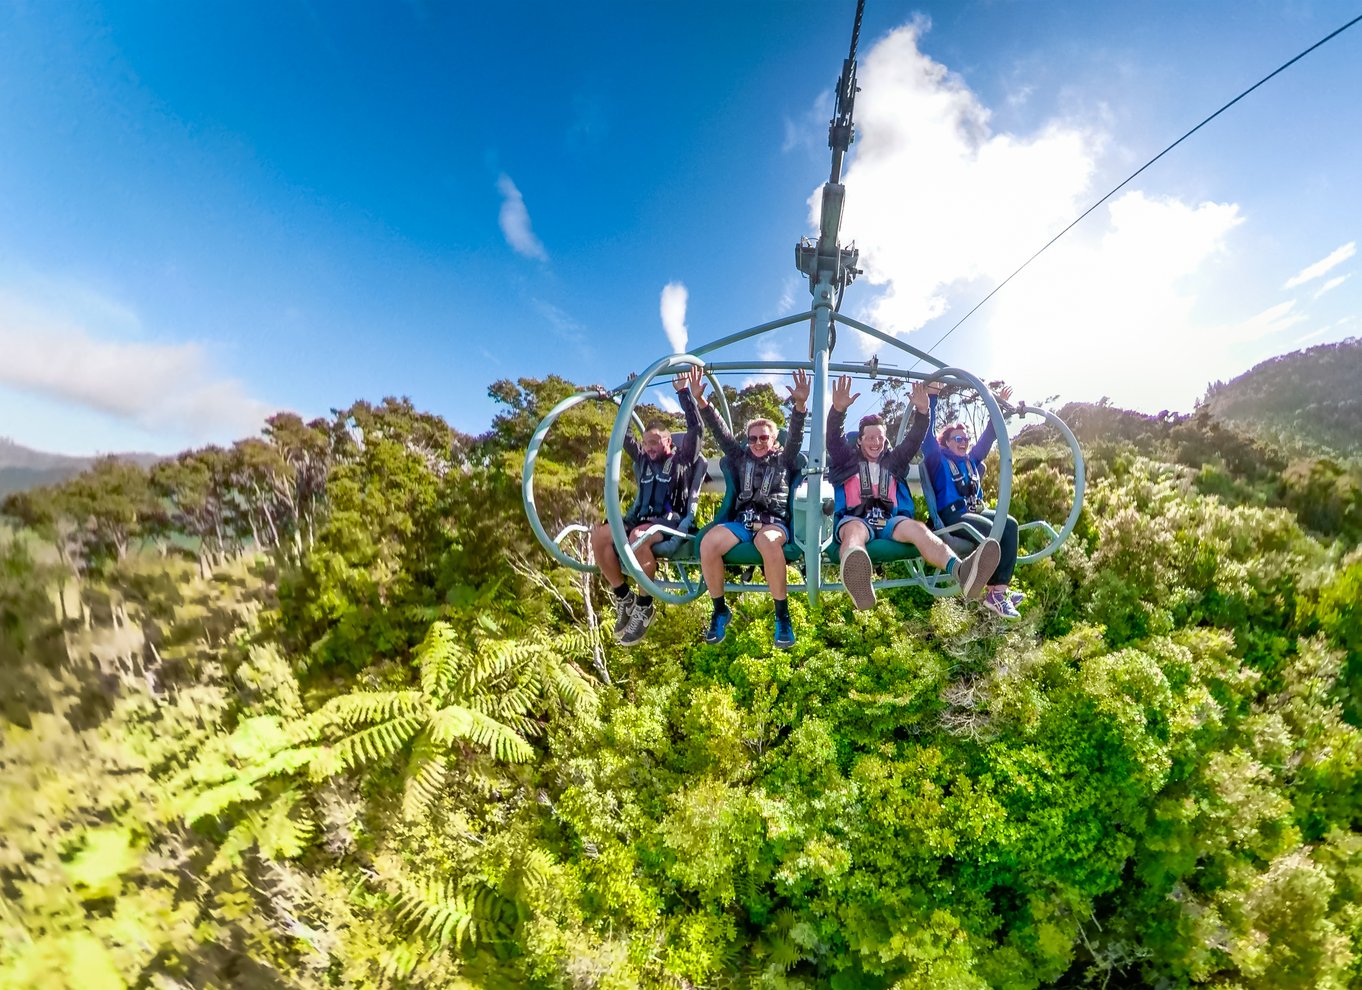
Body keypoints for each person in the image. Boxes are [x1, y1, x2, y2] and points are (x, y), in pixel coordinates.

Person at [826, 375, 1000, 610]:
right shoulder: (845, 460)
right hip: (856, 518)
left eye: (880, 437)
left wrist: (923, 411)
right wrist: (837, 411)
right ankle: (858, 576)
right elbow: (834, 440)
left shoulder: (894, 461)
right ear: (860, 441)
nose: (875, 442)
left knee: (917, 528)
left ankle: (961, 570)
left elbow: (914, 438)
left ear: (885, 439)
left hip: (890, 521)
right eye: (869, 438)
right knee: (854, 532)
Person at [686, 365, 808, 649]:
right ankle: (719, 609)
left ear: (773, 439)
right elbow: (721, 433)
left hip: (773, 523)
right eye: (753, 438)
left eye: (764, 437)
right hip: (742, 522)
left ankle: (782, 616)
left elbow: (797, 436)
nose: (757, 443)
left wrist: (799, 407)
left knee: (767, 541)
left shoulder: (785, 458)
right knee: (709, 543)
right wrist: (702, 402)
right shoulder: (741, 457)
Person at [589, 373, 702, 645]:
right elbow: (623, 433)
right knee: (600, 536)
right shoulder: (642, 460)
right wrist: (628, 397)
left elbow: (696, 430)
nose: (649, 447)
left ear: (668, 443)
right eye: (647, 442)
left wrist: (685, 394)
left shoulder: (682, 459)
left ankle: (644, 605)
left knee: (638, 537)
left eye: (655, 442)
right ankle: (623, 596)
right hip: (641, 520)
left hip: (670, 522)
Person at [923, 385, 1023, 620]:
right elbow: (925, 436)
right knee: (999, 528)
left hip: (974, 511)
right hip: (953, 516)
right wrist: (932, 399)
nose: (964, 442)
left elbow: (989, 436)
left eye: (966, 438)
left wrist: (997, 406)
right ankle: (997, 593)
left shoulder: (971, 460)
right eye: (958, 438)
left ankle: (998, 591)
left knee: (1010, 525)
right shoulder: (938, 459)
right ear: (946, 442)